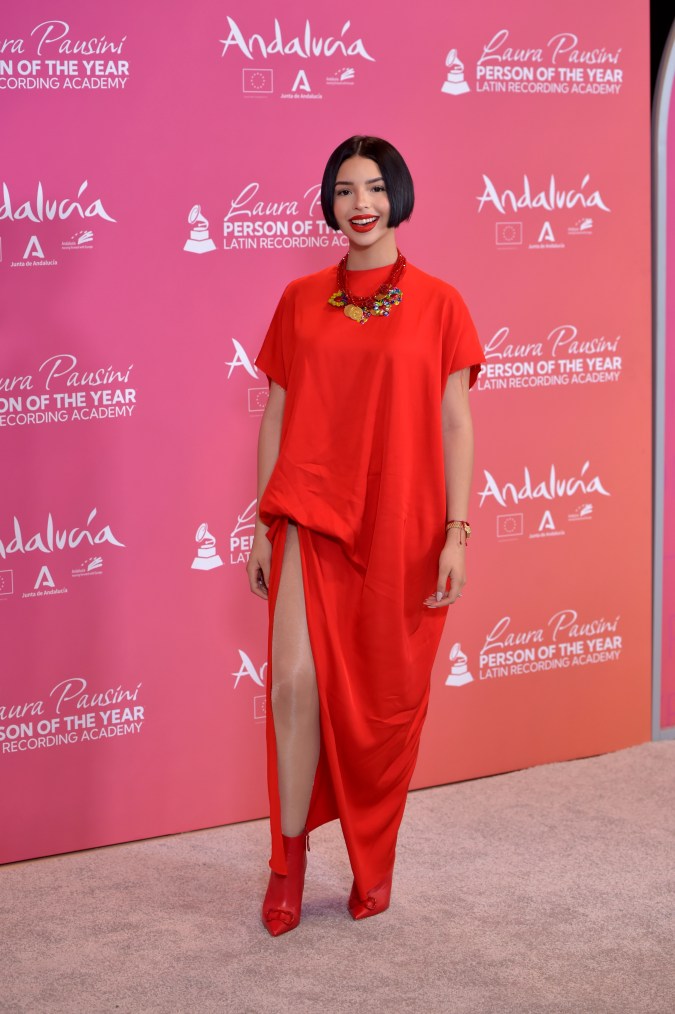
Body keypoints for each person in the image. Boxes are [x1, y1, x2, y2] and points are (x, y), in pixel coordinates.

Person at [246, 135, 485, 936]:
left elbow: (455, 422)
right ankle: (286, 863)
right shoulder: (298, 298)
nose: (360, 204)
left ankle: (371, 855)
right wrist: (262, 524)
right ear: (329, 202)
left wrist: (455, 532)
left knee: (379, 707)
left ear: (398, 197)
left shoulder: (441, 303)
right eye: (345, 189)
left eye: (375, 188)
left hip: (399, 526)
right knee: (291, 686)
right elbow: (276, 415)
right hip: (308, 514)